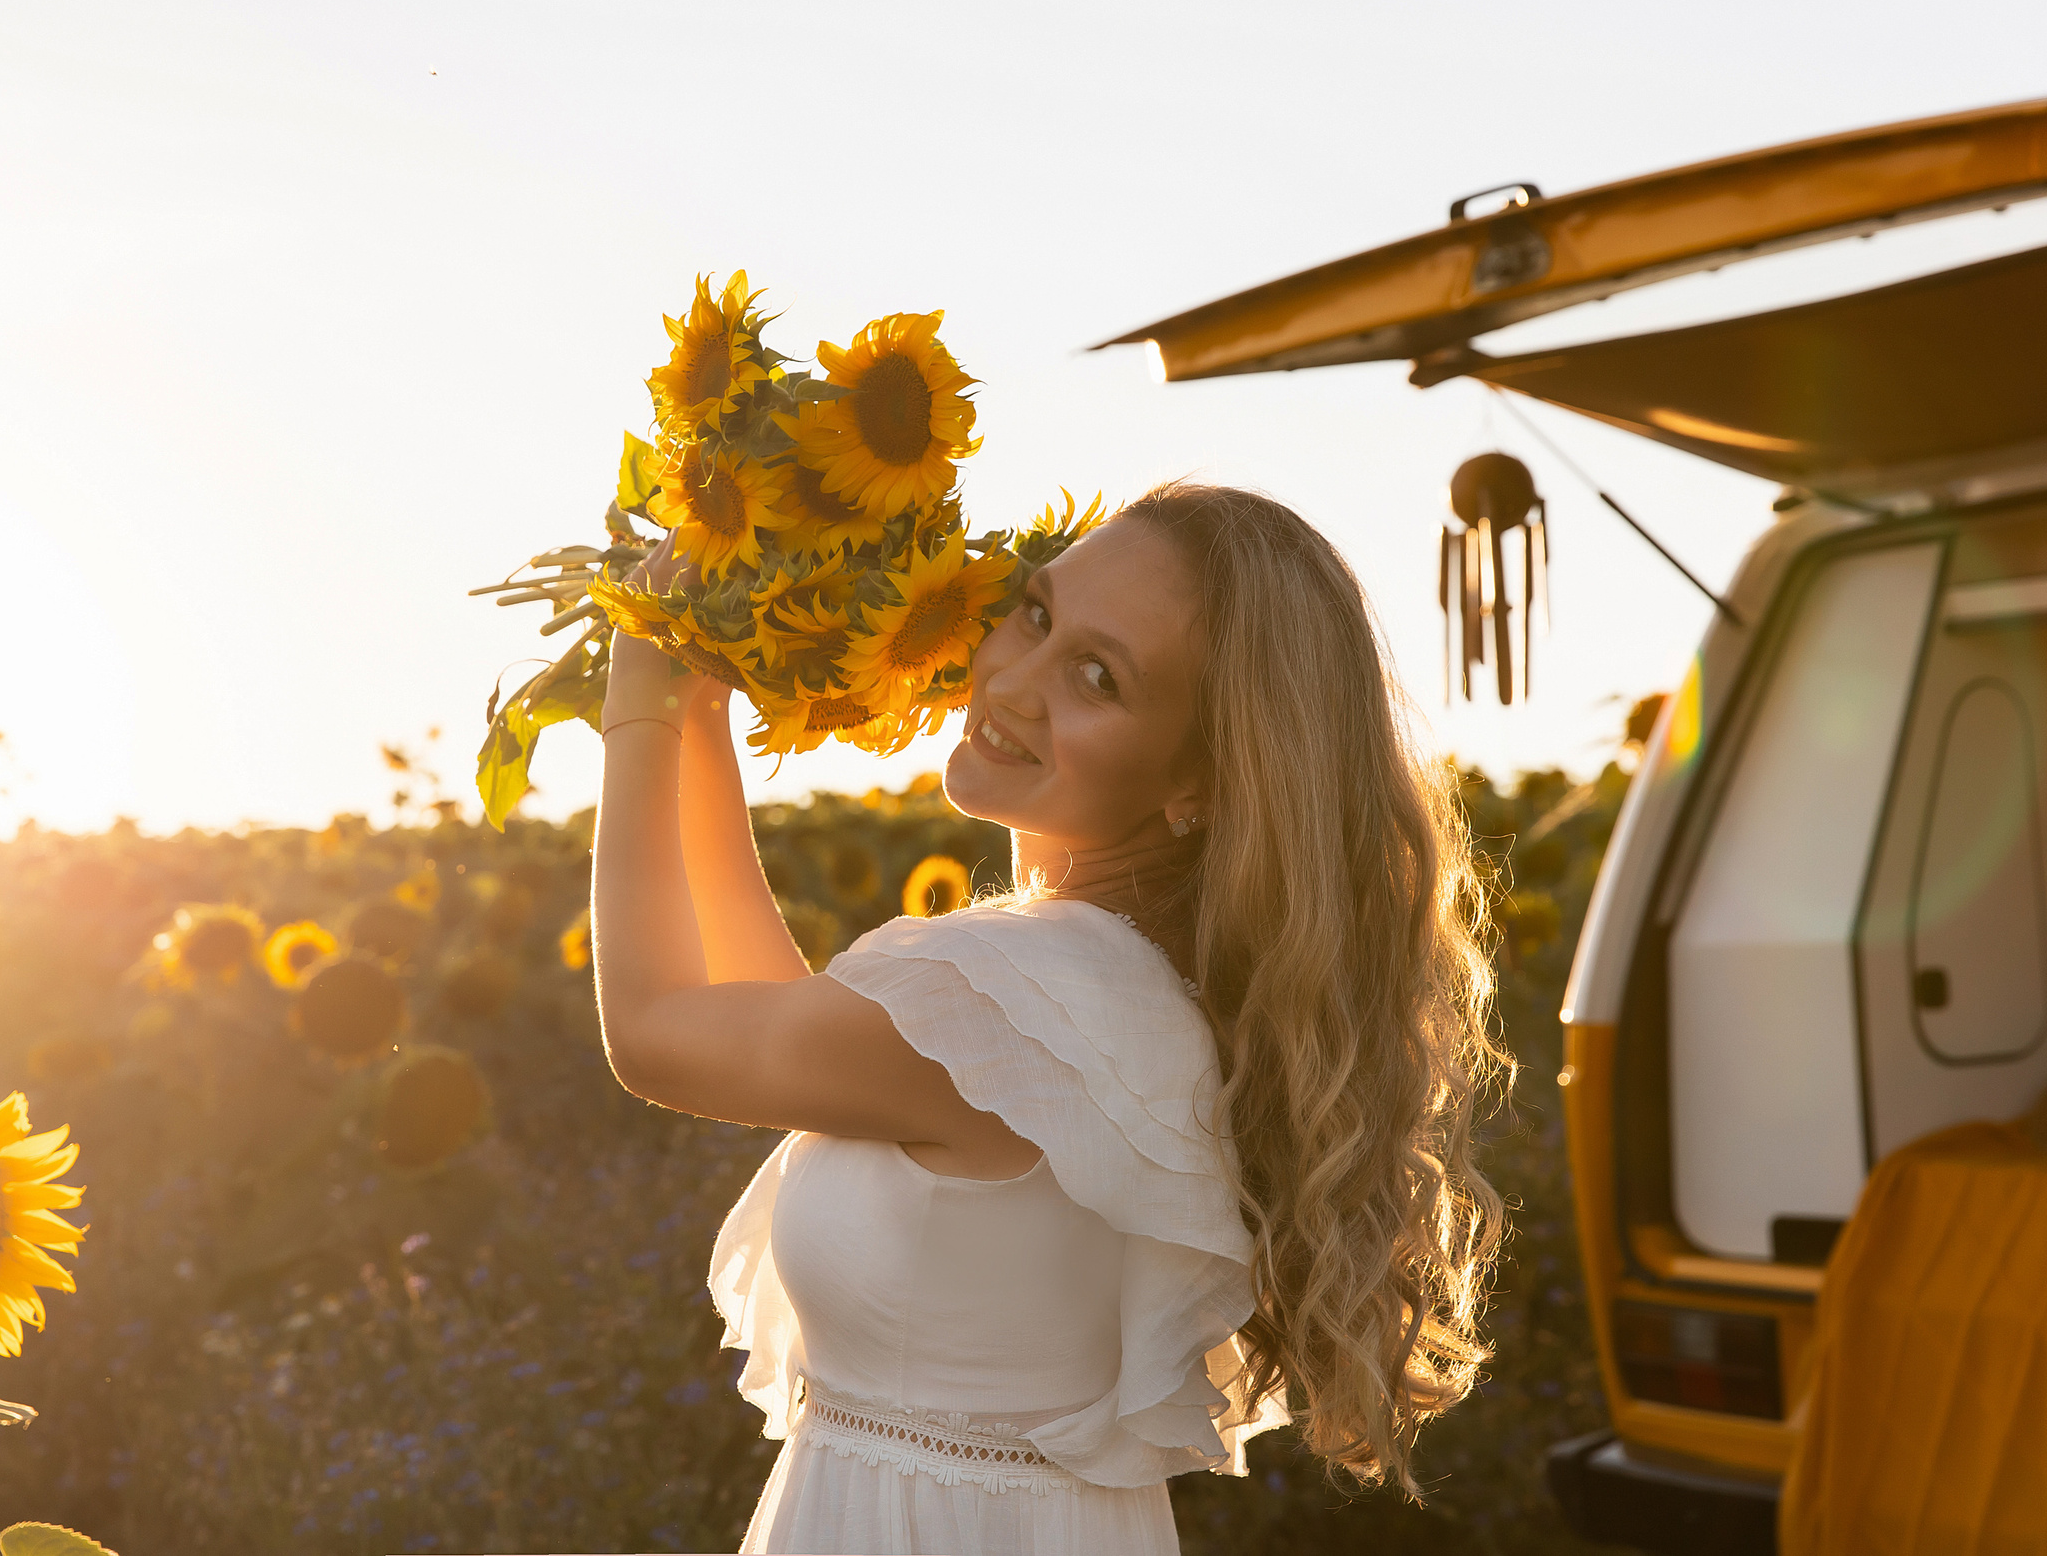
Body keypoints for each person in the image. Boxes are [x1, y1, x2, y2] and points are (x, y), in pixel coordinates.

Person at [592, 481, 1508, 1555]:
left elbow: (661, 1031)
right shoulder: (1124, 988)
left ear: (1199, 781)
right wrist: (700, 708)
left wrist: (638, 694)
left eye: (1096, 676)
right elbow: (772, 1029)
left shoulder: (1015, 990)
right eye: (1034, 612)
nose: (1014, 682)